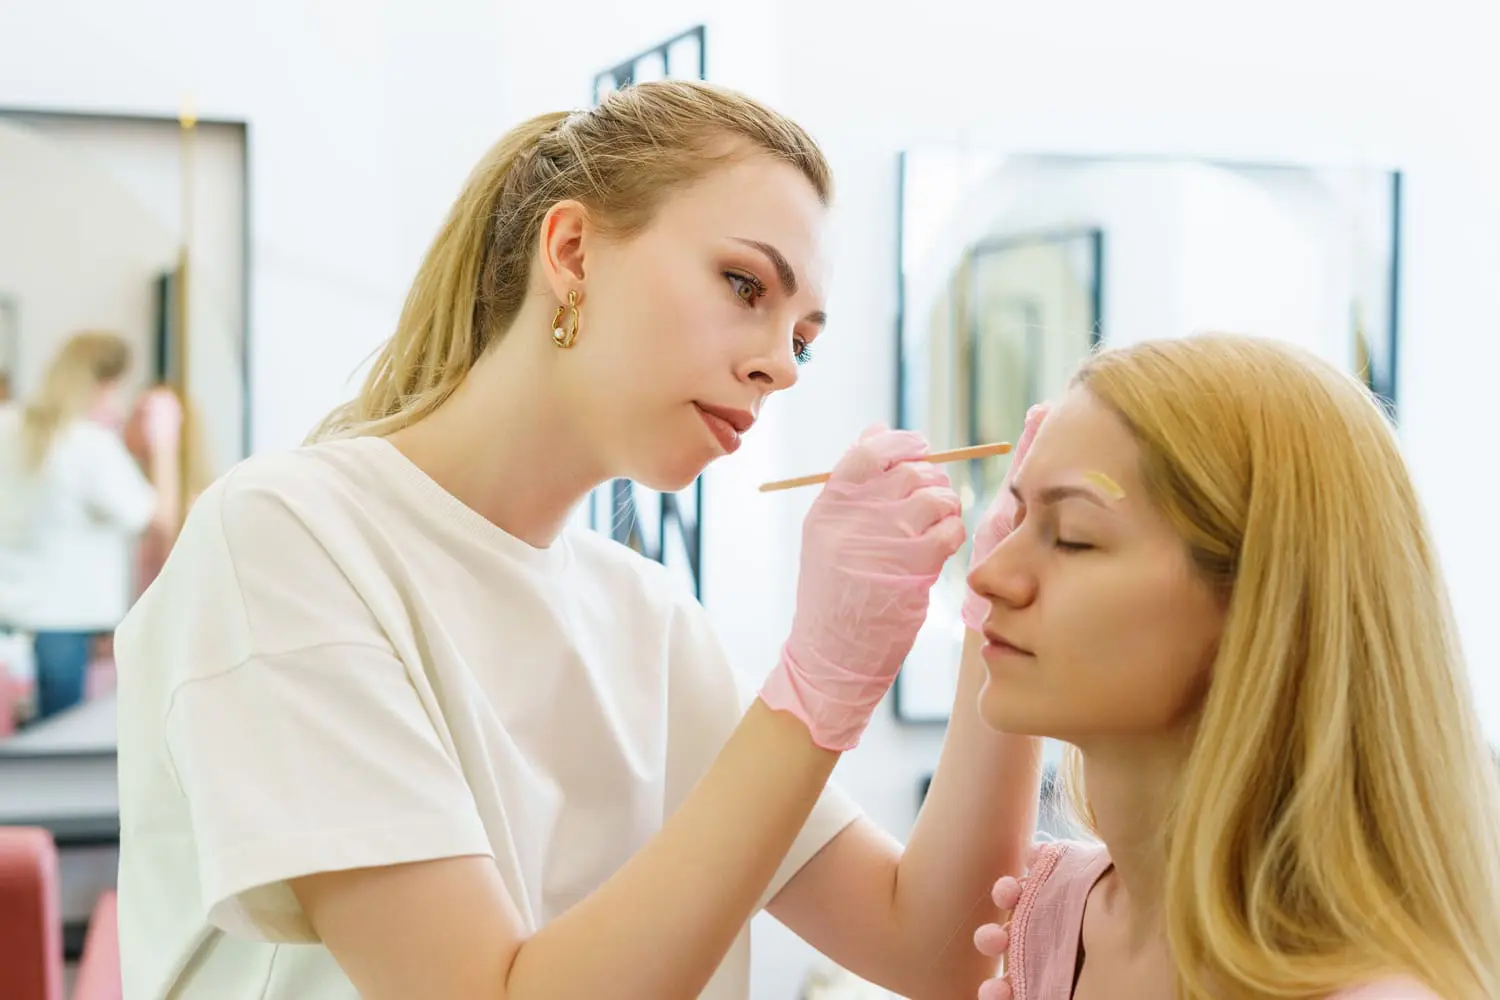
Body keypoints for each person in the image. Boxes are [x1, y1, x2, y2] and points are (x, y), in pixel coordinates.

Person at [113, 80, 1043, 1000]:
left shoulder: (649, 616)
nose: (779, 366)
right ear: (571, 252)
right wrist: (814, 692)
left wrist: (1007, 608)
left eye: (804, 338)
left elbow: (933, 947)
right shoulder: (289, 537)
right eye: (742, 284)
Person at [962, 334, 1500, 999]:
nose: (988, 575)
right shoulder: (1053, 918)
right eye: (1014, 519)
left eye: (1072, 534)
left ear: (1262, 606)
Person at [0, 330, 181, 722]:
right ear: (104, 384)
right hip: (64, 630)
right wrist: (165, 443)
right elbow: (159, 517)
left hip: (12, 621)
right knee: (60, 766)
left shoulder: (8, 425)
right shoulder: (87, 443)